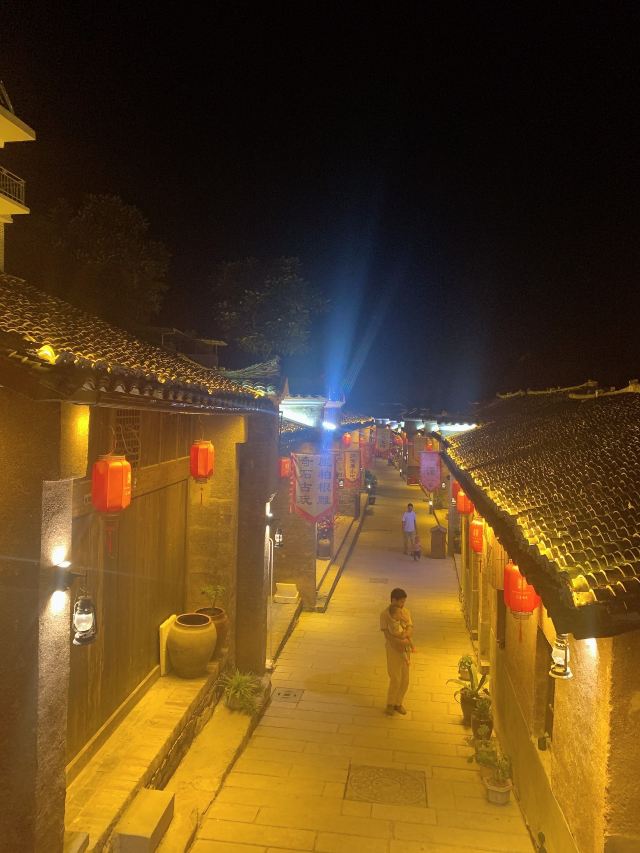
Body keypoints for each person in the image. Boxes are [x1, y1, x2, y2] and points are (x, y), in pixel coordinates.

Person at [380, 588, 413, 715]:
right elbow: (386, 633)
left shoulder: (406, 612)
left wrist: (405, 637)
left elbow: (410, 627)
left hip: (405, 648)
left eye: (404, 601)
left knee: (405, 679)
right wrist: (397, 642)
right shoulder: (384, 614)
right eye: (401, 601)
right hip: (393, 649)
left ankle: (398, 703)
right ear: (393, 600)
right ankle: (390, 703)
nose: (403, 604)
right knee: (395, 677)